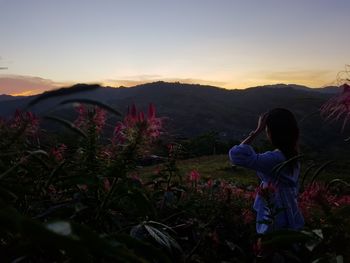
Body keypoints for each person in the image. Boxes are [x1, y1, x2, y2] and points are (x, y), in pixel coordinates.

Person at [229, 108, 304, 234]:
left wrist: (257, 131)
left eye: (266, 129)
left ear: (272, 132)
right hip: (290, 209)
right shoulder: (292, 155)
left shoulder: (275, 159)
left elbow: (236, 155)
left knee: (272, 245)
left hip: (275, 212)